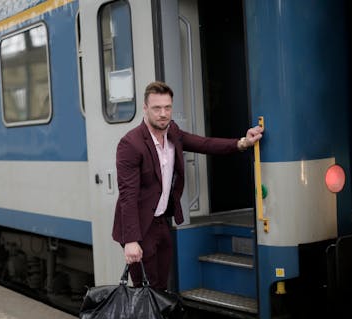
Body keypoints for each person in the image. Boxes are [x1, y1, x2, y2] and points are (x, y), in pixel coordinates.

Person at [112, 81, 263, 292]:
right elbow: (127, 196)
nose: (163, 113)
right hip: (139, 225)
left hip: (161, 222)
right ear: (145, 108)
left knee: (161, 286)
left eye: (167, 107)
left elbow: (205, 143)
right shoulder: (131, 144)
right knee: (145, 290)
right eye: (157, 108)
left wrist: (242, 143)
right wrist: (131, 240)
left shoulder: (172, 132)